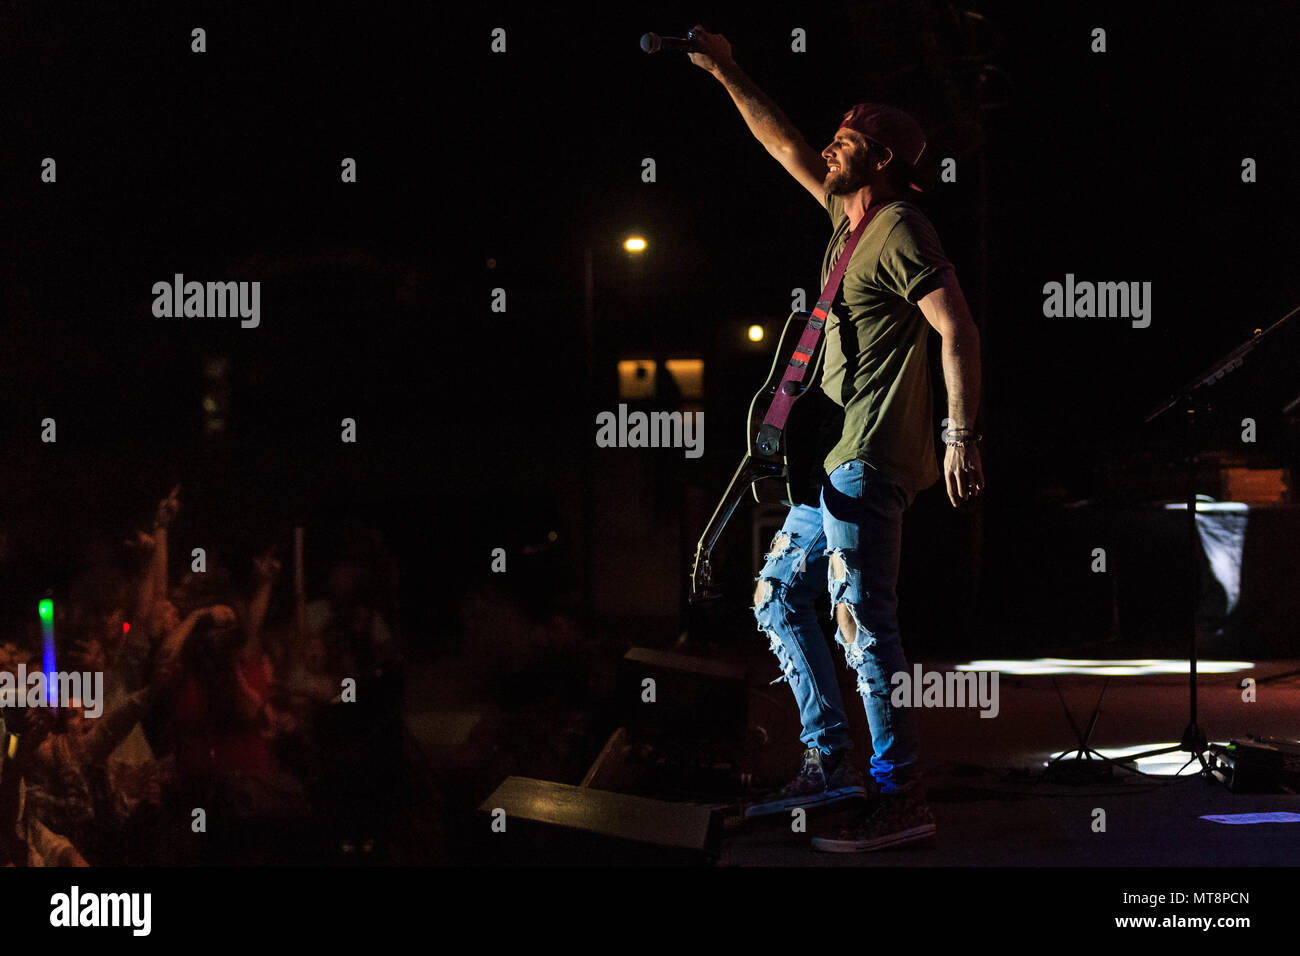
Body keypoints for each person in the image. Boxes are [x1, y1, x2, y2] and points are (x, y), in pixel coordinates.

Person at [687, 26, 985, 851]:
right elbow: (780, 141)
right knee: (778, 596)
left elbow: (958, 330)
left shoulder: (901, 229)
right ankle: (831, 762)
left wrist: (963, 435)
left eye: (847, 142)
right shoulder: (846, 219)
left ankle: (902, 790)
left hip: (873, 455)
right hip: (835, 459)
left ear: (883, 159)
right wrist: (726, 68)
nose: (828, 149)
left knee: (862, 615)